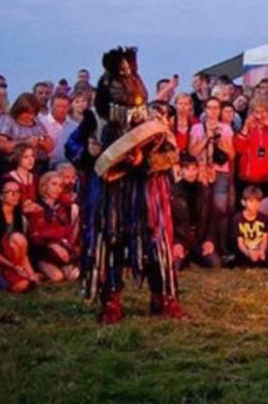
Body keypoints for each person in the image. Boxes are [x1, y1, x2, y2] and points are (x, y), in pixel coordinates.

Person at [71, 47, 185, 323]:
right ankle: (111, 300)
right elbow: (71, 147)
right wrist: (88, 152)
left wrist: (143, 160)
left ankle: (163, 298)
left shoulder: (152, 118)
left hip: (146, 194)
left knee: (155, 245)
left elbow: (171, 153)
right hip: (109, 195)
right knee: (109, 244)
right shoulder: (94, 119)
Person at [190, 96, 235, 256]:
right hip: (202, 170)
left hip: (220, 171)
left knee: (220, 207)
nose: (213, 111)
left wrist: (220, 143)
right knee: (202, 208)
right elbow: (192, 152)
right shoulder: (196, 128)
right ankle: (200, 244)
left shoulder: (226, 129)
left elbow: (231, 155)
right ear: (205, 109)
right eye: (210, 107)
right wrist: (205, 138)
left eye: (216, 108)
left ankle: (220, 245)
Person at [24, 172, 79, 283]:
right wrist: (51, 244)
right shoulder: (36, 207)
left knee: (74, 275)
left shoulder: (62, 208)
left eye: (60, 186)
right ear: (44, 186)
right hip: (44, 252)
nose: (57, 189)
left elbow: (67, 231)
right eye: (53, 184)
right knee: (57, 277)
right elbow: (35, 236)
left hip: (62, 249)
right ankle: (39, 271)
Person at [233, 98, 268, 192]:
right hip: (250, 177)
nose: (259, 115)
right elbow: (239, 149)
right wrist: (246, 128)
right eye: (256, 112)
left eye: (263, 111)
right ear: (251, 113)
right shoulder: (245, 130)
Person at [0, 93, 53, 167]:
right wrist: (25, 143)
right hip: (13, 165)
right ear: (19, 109)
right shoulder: (7, 120)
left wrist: (43, 143)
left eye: (33, 113)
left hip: (39, 165)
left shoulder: (37, 123)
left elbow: (49, 148)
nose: (30, 116)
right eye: (27, 113)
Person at [233, 185, 268, 268]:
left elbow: (264, 239)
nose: (255, 205)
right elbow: (240, 242)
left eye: (257, 202)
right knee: (241, 261)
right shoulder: (237, 219)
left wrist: (261, 251)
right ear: (243, 202)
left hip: (259, 248)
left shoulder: (264, 218)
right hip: (245, 250)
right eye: (251, 202)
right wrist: (248, 253)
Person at [40, 93, 78, 167]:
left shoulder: (74, 126)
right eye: (58, 106)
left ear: (69, 107)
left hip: (69, 165)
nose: (61, 109)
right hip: (46, 165)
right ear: (51, 106)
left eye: (65, 106)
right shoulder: (41, 123)